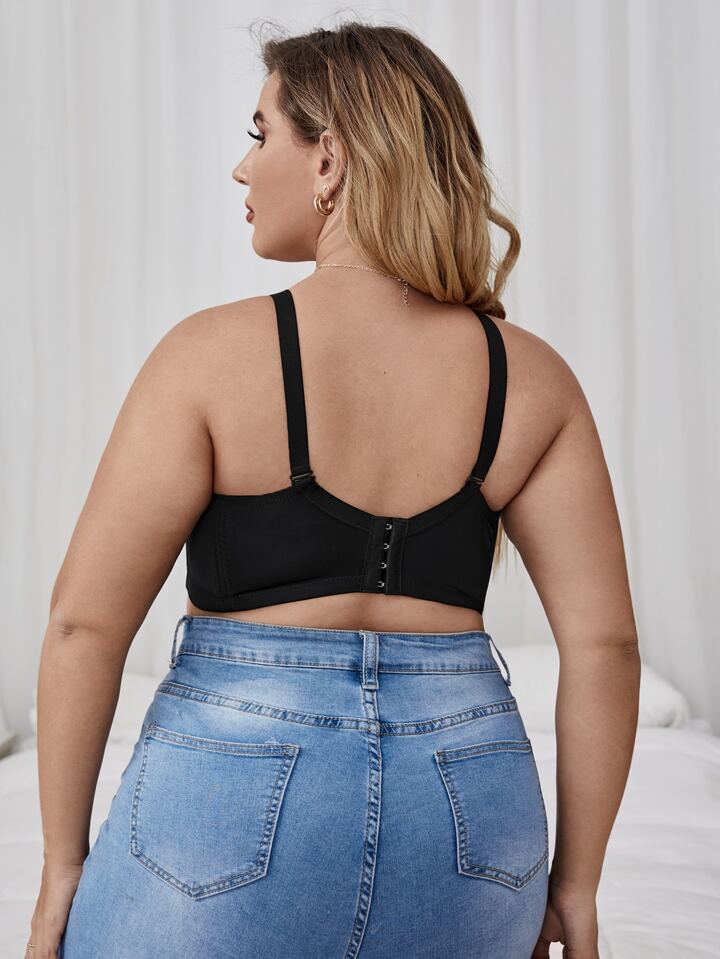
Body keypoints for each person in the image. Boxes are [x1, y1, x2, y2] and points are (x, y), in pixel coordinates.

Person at [29, 20, 640, 959]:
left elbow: (83, 627)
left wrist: (60, 871)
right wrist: (578, 886)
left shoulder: (208, 357)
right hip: (470, 823)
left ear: (330, 160)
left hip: (232, 801)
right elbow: (605, 646)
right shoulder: (533, 379)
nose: (242, 167)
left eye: (260, 133)